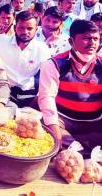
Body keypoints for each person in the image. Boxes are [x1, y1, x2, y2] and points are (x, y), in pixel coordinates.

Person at [38, 19, 101, 155]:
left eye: (96, 38)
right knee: (45, 125)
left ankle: (83, 151)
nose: (92, 43)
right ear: (71, 42)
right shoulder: (54, 64)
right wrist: (55, 131)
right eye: (86, 38)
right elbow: (47, 98)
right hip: (63, 121)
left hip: (95, 123)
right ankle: (80, 151)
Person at [0, 11, 51, 107]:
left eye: (30, 28)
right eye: (21, 28)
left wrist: (38, 99)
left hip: (28, 94)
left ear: (36, 29)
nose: (25, 32)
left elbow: (47, 78)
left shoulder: (42, 49)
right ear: (14, 27)